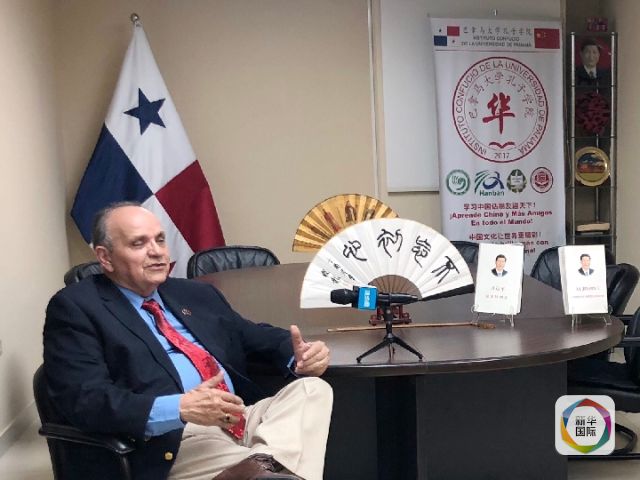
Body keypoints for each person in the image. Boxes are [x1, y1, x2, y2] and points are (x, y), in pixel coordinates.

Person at [43, 202, 333, 480]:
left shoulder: (194, 293)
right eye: (139, 243)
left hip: (238, 416)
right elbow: (85, 399)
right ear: (105, 257)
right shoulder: (76, 307)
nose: (156, 252)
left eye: (160, 240)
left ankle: (262, 465)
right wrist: (180, 408)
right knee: (287, 455)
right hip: (176, 436)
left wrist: (298, 353)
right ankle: (264, 467)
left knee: (311, 390)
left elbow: (250, 334)